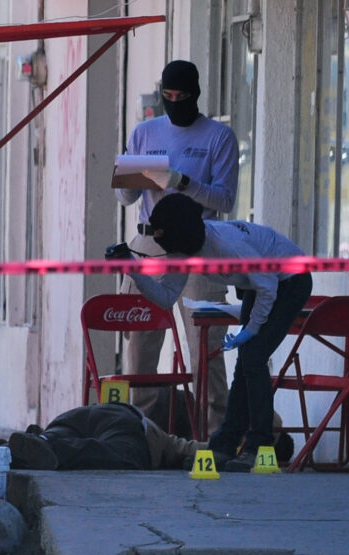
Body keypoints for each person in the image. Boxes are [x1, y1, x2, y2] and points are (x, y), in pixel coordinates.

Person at [125, 193, 312, 472]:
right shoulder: (183, 248)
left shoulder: (228, 244)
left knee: (254, 357)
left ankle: (259, 444)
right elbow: (166, 296)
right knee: (245, 363)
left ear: (184, 239)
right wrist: (134, 270)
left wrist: (249, 331)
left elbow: (268, 287)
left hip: (290, 278)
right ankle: (225, 444)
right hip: (258, 284)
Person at [114, 60, 239, 436]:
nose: (174, 102)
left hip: (200, 243)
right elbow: (124, 195)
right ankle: (141, 435)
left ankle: (216, 433)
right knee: (141, 346)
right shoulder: (145, 132)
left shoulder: (218, 137)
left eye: (181, 96)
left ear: (195, 94)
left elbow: (226, 199)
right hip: (150, 241)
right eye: (167, 96)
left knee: (206, 346)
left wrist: (182, 182)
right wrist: (136, 173)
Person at [9, 402, 292, 471]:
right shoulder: (223, 448)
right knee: (127, 459)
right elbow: (267, 420)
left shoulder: (225, 438)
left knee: (57, 443)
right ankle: (50, 444)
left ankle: (36, 443)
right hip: (132, 431)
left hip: (87, 417)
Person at [9, 402, 204, 470]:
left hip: (78, 416)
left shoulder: (159, 433)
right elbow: (197, 450)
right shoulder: (168, 442)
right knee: (116, 456)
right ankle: (50, 447)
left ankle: (39, 441)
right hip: (122, 424)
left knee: (57, 434)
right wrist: (227, 451)